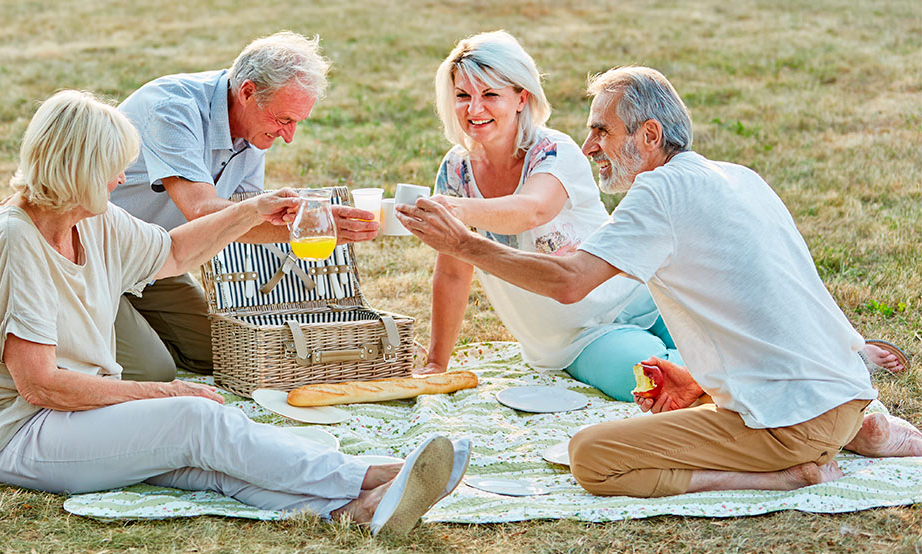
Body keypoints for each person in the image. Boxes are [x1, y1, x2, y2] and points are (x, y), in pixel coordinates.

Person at [0, 90, 468, 535]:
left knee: (210, 462)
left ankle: (355, 511)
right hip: (21, 434)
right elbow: (40, 386)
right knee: (195, 420)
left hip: (78, 416)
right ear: (77, 168)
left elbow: (173, 254)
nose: (120, 179)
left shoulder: (94, 221)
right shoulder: (13, 242)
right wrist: (164, 391)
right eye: (112, 167)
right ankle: (369, 476)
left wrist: (250, 212)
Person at [396, 66, 921, 498]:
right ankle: (850, 432)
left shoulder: (659, 193)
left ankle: (782, 473)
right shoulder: (738, 175)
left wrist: (463, 242)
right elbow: (765, 304)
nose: (590, 144)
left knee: (591, 456)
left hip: (791, 424)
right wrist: (698, 384)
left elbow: (569, 282)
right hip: (847, 393)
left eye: (602, 130)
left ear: (649, 135)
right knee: (691, 399)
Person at [414, 31, 681, 402]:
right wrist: (435, 365)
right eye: (463, 96)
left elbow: (531, 209)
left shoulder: (554, 150)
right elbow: (453, 271)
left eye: (490, 95)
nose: (474, 110)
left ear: (522, 97)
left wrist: (453, 210)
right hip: (576, 338)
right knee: (650, 380)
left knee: (725, 344)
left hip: (640, 297)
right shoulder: (457, 172)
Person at [109, 31, 378, 382]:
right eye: (284, 120)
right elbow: (203, 210)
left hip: (154, 259)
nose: (289, 136)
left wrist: (312, 224)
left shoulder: (253, 130)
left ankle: (123, 324)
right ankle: (82, 328)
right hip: (95, 256)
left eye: (297, 122)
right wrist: (304, 226)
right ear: (248, 92)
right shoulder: (172, 109)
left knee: (222, 351)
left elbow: (239, 219)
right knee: (152, 370)